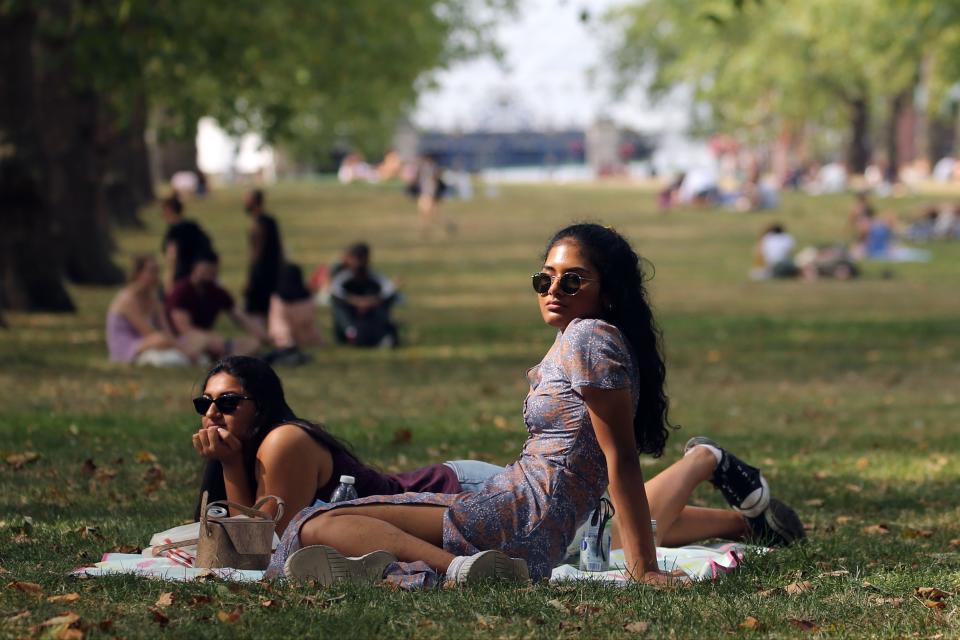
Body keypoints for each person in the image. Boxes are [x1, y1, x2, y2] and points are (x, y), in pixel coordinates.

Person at [266, 223, 804, 587]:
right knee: (335, 524)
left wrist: (642, 568)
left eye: (573, 279)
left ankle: (456, 571)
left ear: (607, 290)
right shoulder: (588, 336)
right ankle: (443, 567)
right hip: (531, 517)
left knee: (317, 524)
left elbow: (620, 459)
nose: (554, 288)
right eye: (543, 278)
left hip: (522, 513)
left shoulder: (589, 338)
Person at [191, 356, 505, 533]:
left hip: (459, 491)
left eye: (229, 402)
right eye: (204, 404)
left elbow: (265, 541)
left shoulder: (283, 442)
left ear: (260, 406)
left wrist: (229, 464)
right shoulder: (248, 451)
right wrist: (229, 462)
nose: (212, 413)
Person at [166, 250, 267, 359]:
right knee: (201, 339)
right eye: (207, 271)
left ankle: (226, 358)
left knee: (252, 343)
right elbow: (184, 329)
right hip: (184, 339)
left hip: (212, 341)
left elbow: (241, 317)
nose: (210, 276)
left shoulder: (216, 291)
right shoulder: (181, 291)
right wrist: (209, 338)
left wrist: (267, 337)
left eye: (213, 273)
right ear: (195, 268)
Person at [106, 255, 195, 365]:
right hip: (128, 346)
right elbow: (148, 332)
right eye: (151, 271)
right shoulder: (127, 300)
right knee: (161, 339)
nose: (155, 276)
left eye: (157, 271)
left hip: (149, 341)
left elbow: (166, 329)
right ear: (138, 273)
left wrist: (177, 342)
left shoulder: (153, 299)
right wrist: (182, 349)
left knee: (185, 339)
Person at [330, 243, 399, 348]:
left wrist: (370, 302)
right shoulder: (342, 276)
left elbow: (389, 291)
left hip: (370, 318)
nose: (358, 262)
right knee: (338, 302)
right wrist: (357, 302)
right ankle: (351, 332)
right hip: (351, 318)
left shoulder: (374, 277)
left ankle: (381, 334)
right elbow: (335, 291)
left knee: (386, 301)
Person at [265, 263, 322, 365]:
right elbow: (310, 318)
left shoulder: (278, 298)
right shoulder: (308, 296)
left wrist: (288, 341)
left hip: (285, 338)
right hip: (308, 336)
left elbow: (279, 323)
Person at [243, 189, 284, 325]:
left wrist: (251, 276)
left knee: (256, 310)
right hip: (273, 271)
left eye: (247, 199)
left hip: (261, 273)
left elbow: (257, 251)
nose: (245, 202)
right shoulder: (270, 221)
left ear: (254, 202)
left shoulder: (259, 223)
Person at [160, 195, 214, 293]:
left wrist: (169, 279)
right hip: (200, 273)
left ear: (168, 210)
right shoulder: (194, 226)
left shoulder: (173, 231)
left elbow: (172, 257)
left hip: (182, 274)